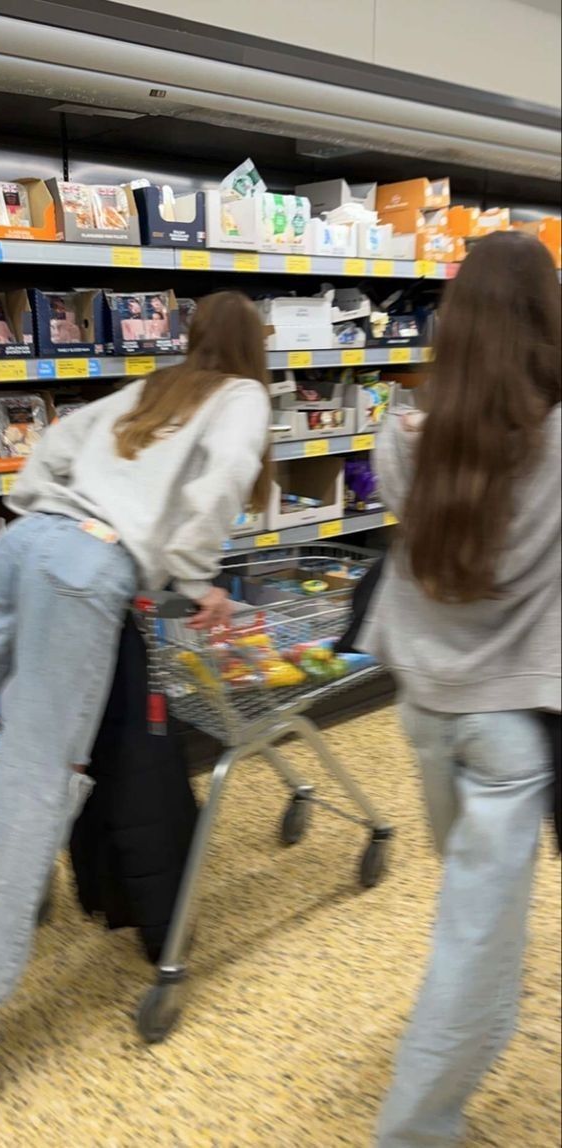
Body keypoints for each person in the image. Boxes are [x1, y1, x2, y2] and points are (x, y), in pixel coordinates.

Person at [0, 289, 272, 1096]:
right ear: (254, 347)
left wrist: (46, 516)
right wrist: (197, 577)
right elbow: (224, 482)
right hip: (88, 569)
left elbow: (54, 446)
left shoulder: (149, 390)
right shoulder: (242, 395)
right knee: (37, 774)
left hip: (23, 543)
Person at [360, 231, 561, 1146]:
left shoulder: (401, 440)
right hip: (511, 733)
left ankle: (467, 1030)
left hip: (423, 711)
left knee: (471, 913)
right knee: (474, 940)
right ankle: (416, 1128)